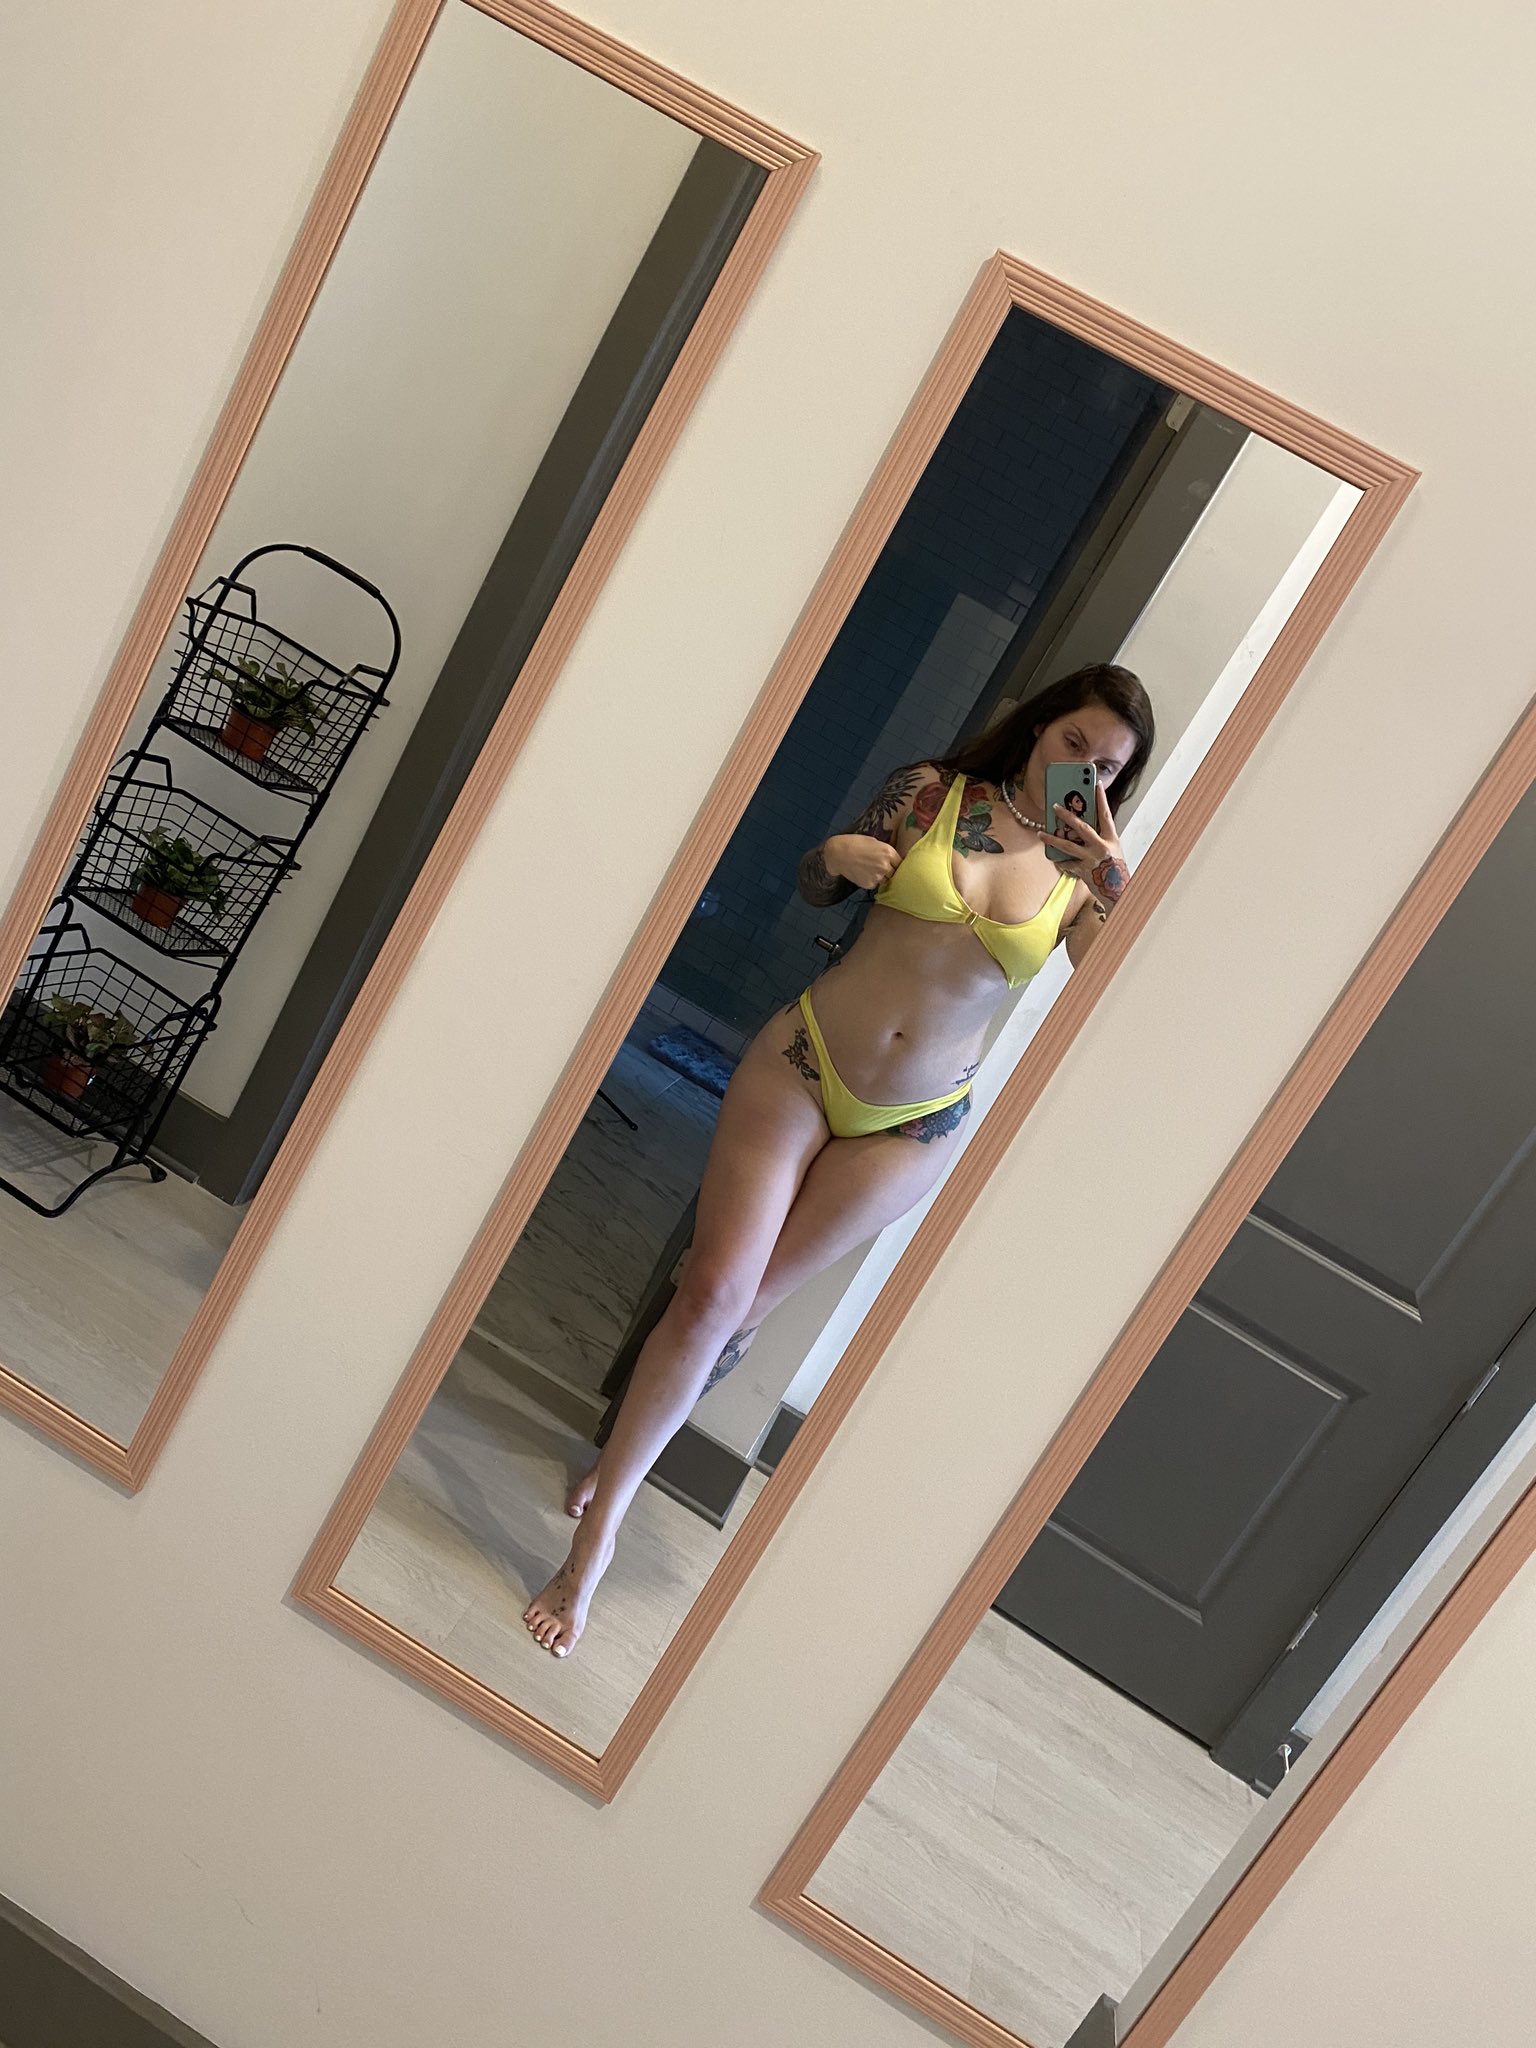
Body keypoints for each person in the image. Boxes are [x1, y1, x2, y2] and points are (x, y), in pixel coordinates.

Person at [523, 661, 1154, 1655]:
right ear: (1041, 727)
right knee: (713, 1292)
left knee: (748, 1307)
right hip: (804, 1061)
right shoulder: (934, 792)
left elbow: (1126, 992)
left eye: (1108, 766)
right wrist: (835, 854)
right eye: (1076, 742)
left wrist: (1116, 875)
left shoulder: (1085, 881)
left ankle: (623, 1462)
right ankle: (593, 1544)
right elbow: (816, 886)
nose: (1086, 769)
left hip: (915, 1124)